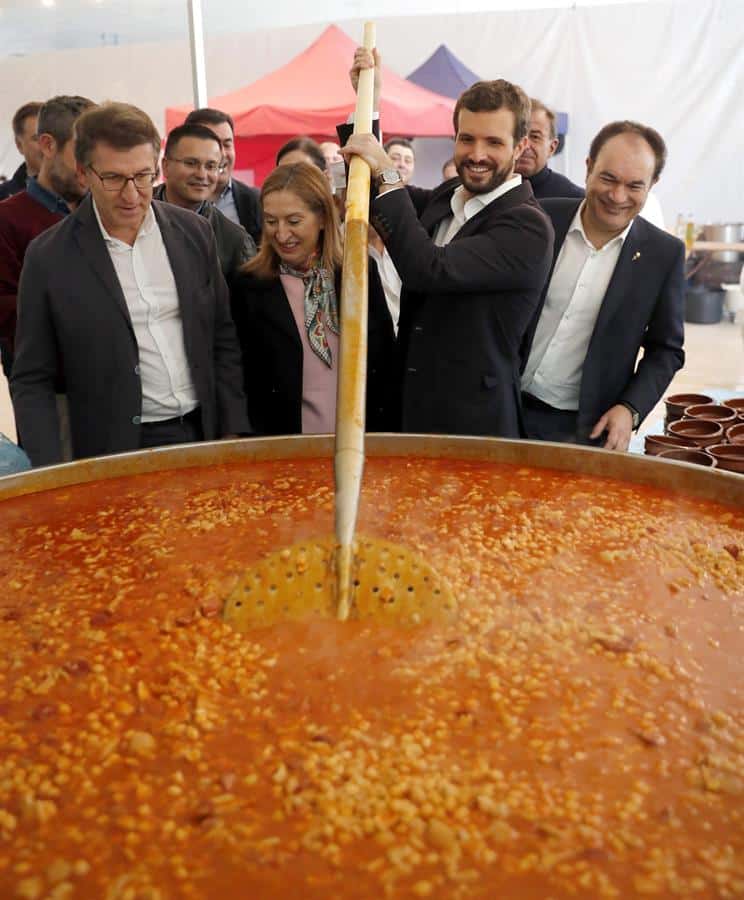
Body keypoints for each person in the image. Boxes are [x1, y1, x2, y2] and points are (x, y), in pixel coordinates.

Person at [11, 102, 251, 467]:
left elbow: (222, 336)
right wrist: (50, 468)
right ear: (83, 173)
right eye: (113, 178)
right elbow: (32, 378)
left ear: (158, 168)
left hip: (204, 432)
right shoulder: (49, 257)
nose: (131, 194)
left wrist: (233, 427)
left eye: (142, 176)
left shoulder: (194, 232)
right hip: (116, 446)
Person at [340, 49, 553, 438]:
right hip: (411, 409)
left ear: (521, 146)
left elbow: (428, 269)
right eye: (466, 138)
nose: (477, 154)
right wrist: (366, 102)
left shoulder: (527, 227)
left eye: (494, 142)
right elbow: (381, 195)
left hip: (473, 424)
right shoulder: (451, 194)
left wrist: (386, 167)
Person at [520, 120, 685, 450]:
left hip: (586, 429)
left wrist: (630, 409)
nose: (617, 196)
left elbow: (666, 349)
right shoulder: (538, 219)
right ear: (588, 167)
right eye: (608, 178)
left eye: (634, 186)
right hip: (504, 409)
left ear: (652, 184)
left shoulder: (662, 255)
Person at [230, 162, 396, 436]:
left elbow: (384, 360)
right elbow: (242, 377)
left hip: (359, 442)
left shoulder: (358, 272)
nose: (281, 234)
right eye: (271, 221)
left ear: (321, 217)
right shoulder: (250, 285)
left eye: (294, 221)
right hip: (282, 446)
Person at [0, 95, 95, 378]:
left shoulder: (106, 211)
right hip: (48, 384)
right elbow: (6, 311)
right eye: (81, 152)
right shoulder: (7, 220)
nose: (90, 166)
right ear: (48, 145)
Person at [155, 123, 256, 282]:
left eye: (211, 166)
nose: (202, 174)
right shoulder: (135, 213)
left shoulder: (234, 241)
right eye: (191, 163)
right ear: (165, 166)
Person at [184, 107, 262, 245]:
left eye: (227, 144)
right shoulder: (164, 201)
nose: (221, 154)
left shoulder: (255, 201)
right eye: (212, 145)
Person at [515, 99, 584, 200]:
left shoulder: (575, 199)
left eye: (535, 137)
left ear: (552, 147)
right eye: (519, 135)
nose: (525, 145)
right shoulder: (487, 187)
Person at [0, 102, 44, 201]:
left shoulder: (79, 195)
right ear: (19, 145)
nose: (47, 146)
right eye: (37, 139)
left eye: (51, 138)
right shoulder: (3, 199)